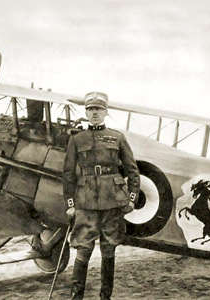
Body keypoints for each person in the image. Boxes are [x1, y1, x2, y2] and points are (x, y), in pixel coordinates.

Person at [63, 91, 141, 300]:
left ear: (106, 111)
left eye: (98, 109)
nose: (94, 113)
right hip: (86, 202)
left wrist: (132, 198)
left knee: (109, 249)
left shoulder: (117, 137)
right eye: (90, 109)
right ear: (86, 113)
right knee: (83, 249)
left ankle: (105, 297)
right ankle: (76, 297)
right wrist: (70, 203)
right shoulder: (77, 140)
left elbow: (132, 171)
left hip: (112, 201)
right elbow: (68, 174)